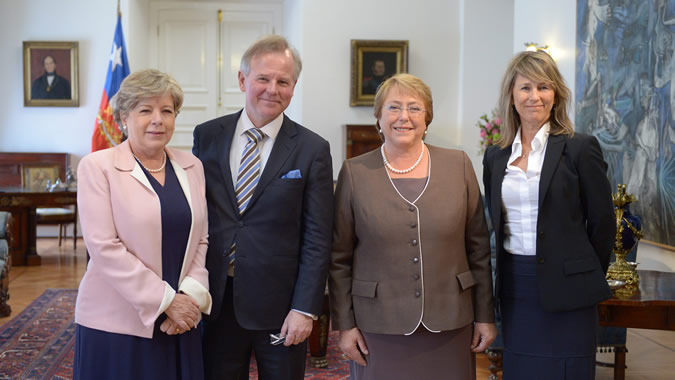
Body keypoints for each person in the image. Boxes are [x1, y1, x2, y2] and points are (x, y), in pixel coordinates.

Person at [330, 73, 496, 380]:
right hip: (378, 325)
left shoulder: (458, 165)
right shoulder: (354, 173)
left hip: (450, 319)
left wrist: (485, 317)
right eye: (393, 108)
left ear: (427, 117)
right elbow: (339, 258)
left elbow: (479, 249)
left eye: (414, 108)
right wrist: (345, 325)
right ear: (378, 118)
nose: (403, 117)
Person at [193, 35, 334, 380]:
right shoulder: (207, 136)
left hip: (281, 306)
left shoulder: (313, 149)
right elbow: (195, 215)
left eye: (283, 81)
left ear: (293, 86)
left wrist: (305, 308)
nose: (272, 89)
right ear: (243, 80)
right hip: (216, 301)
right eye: (263, 78)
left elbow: (318, 236)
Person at [482, 50, 615, 380]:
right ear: (511, 95)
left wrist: (580, 270)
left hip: (570, 289)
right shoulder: (495, 157)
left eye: (544, 87)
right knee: (521, 370)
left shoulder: (580, 148)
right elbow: (494, 223)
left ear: (556, 95)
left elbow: (603, 222)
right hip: (516, 285)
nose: (534, 96)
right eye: (525, 87)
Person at [74, 69, 212, 379]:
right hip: (117, 321)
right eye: (145, 110)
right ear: (124, 117)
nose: (157, 120)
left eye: (166, 110)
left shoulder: (192, 167)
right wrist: (165, 301)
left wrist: (189, 297)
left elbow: (202, 240)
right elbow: (104, 247)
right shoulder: (98, 167)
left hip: (179, 321)